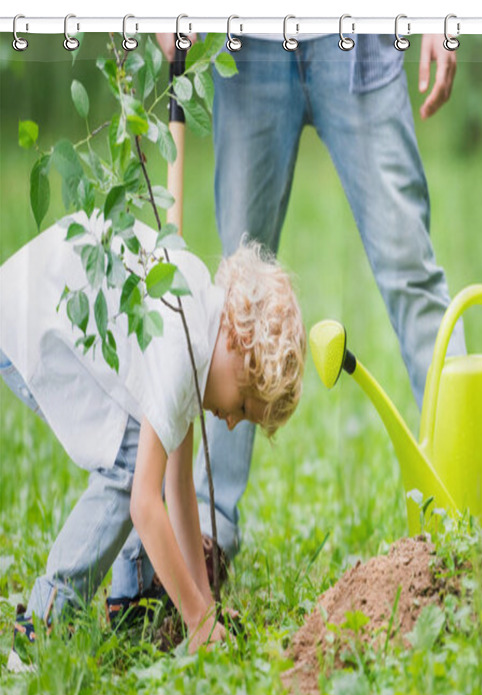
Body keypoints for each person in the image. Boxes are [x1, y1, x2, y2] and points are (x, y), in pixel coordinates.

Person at [108, 32, 466, 610]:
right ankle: (205, 535)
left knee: (412, 271)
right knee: (232, 314)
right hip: (249, 47)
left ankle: (470, 496)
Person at [0, 213, 306, 662]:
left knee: (142, 453)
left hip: (32, 307)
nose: (233, 423)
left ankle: (129, 600)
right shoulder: (183, 350)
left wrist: (205, 608)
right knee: (129, 462)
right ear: (239, 339)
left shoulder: (197, 316)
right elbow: (145, 504)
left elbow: (179, 489)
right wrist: (198, 622)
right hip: (30, 325)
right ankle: (46, 618)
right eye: (244, 405)